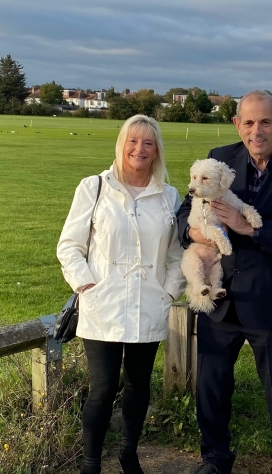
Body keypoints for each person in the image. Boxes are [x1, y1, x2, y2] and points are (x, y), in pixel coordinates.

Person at [176, 90, 272, 474]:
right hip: (220, 295)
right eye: (248, 122)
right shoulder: (220, 157)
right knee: (211, 386)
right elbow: (183, 212)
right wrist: (195, 235)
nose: (256, 130)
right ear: (237, 124)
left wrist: (250, 229)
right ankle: (215, 457)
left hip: (271, 299)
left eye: (264, 122)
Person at [58, 115, 185, 474]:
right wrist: (86, 286)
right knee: (103, 387)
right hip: (104, 305)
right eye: (132, 141)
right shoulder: (94, 187)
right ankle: (90, 463)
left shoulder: (168, 196)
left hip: (149, 303)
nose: (139, 149)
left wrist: (169, 290)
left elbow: (177, 254)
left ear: (157, 148)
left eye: (147, 143)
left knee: (138, 385)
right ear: (121, 144)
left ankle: (129, 453)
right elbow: (69, 246)